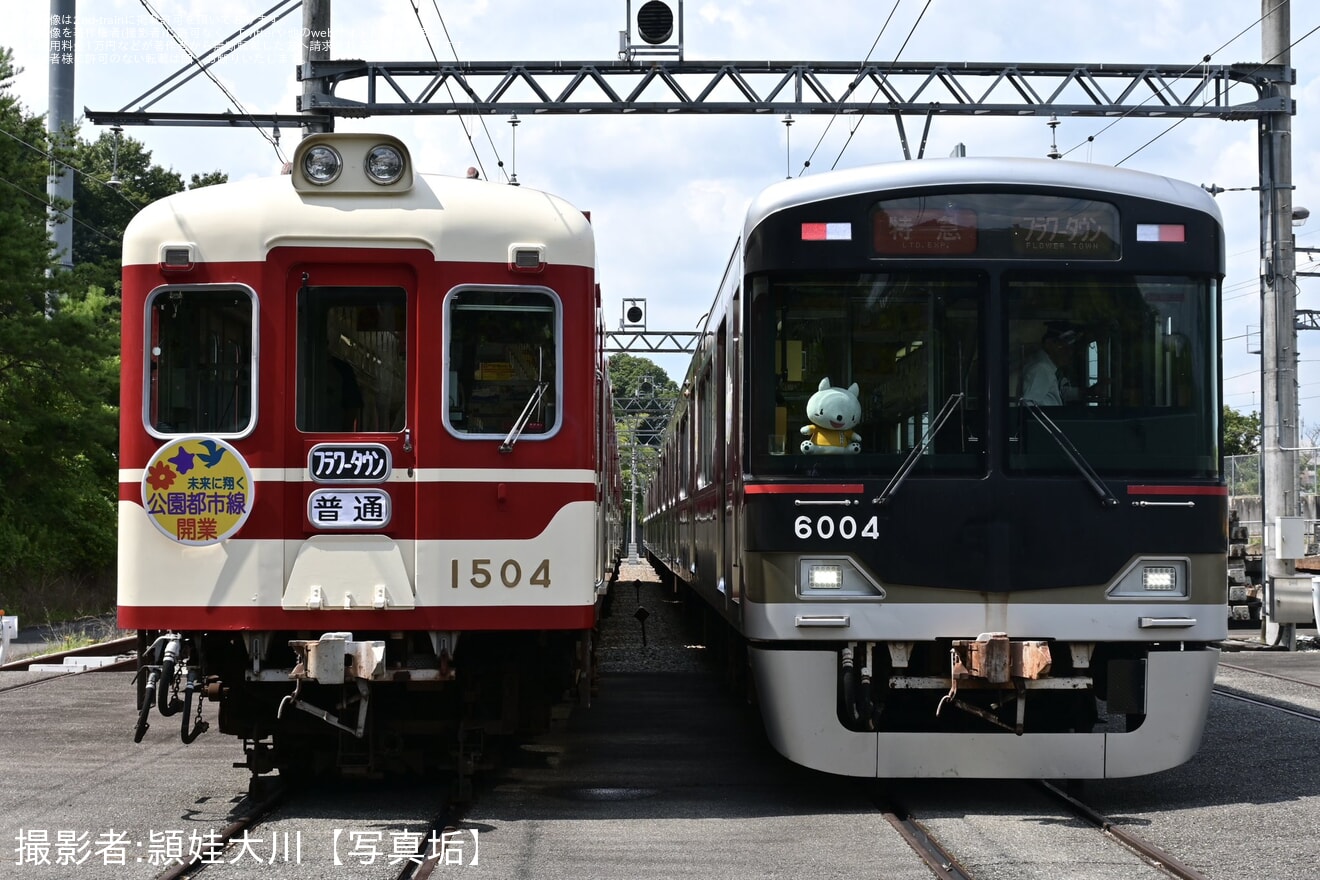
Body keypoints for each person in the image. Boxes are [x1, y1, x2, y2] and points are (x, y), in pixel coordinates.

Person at [1020, 323, 1080, 406]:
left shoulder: (1050, 370)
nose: (1069, 352)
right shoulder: (1041, 369)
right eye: (1062, 346)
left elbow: (1059, 392)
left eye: (1071, 348)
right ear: (1049, 344)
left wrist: (1087, 392)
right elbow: (1028, 406)